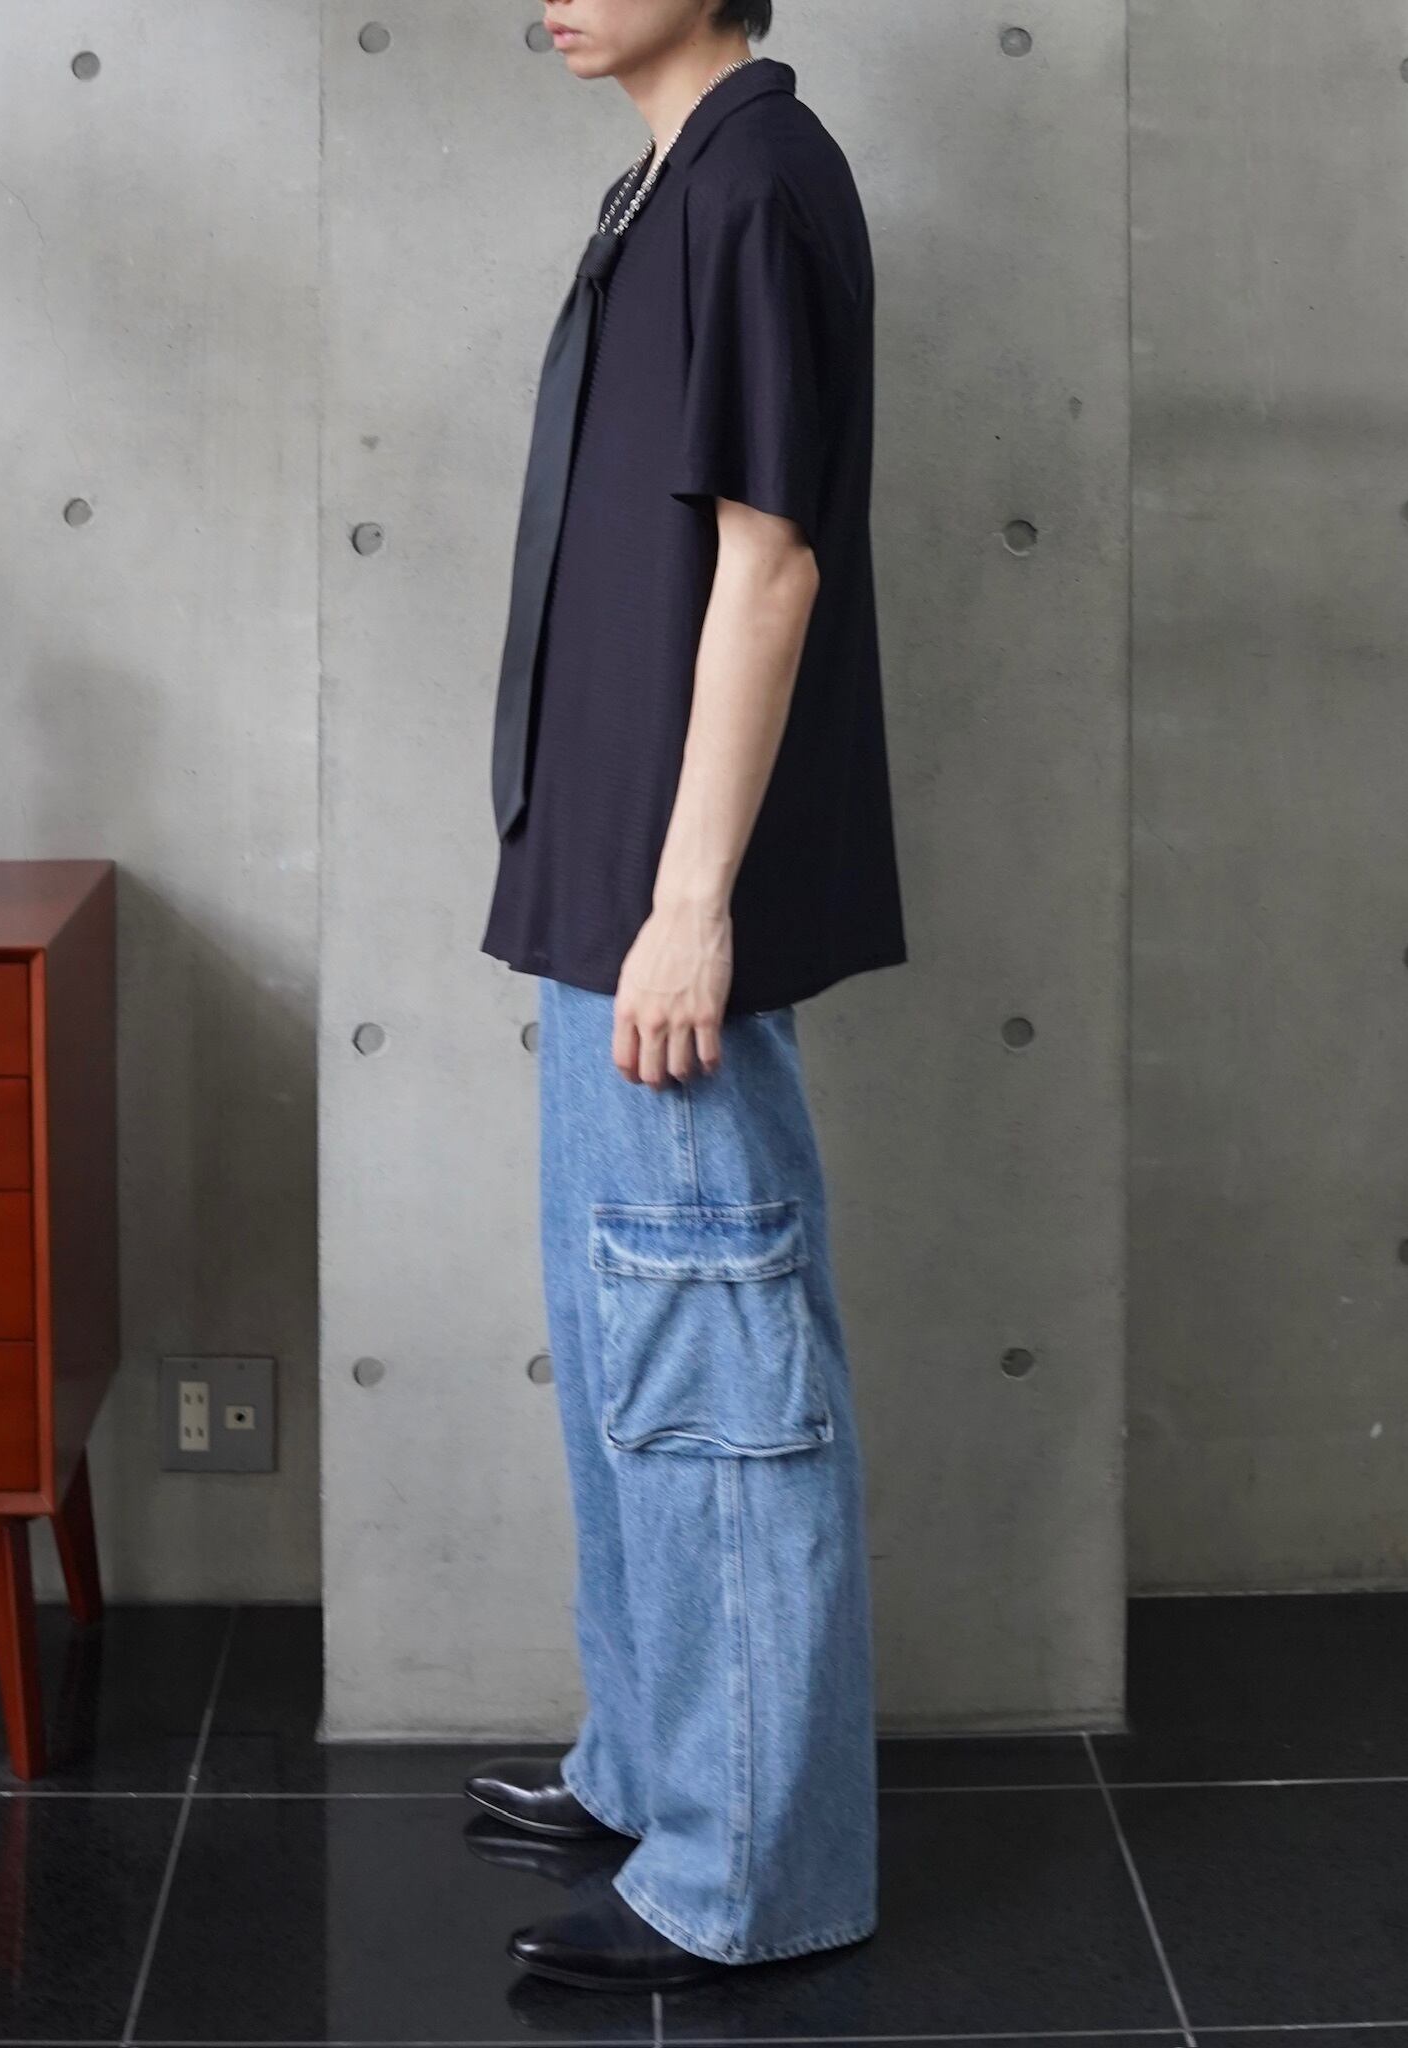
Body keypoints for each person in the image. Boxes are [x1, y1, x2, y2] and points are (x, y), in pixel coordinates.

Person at [471, 0, 908, 1993]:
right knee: (629, 1354)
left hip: (663, 914)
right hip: (599, 899)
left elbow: (771, 562)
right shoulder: (664, 185)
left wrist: (688, 904)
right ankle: (652, 1766)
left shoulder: (754, 184)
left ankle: (749, 1876)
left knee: (718, 1374)